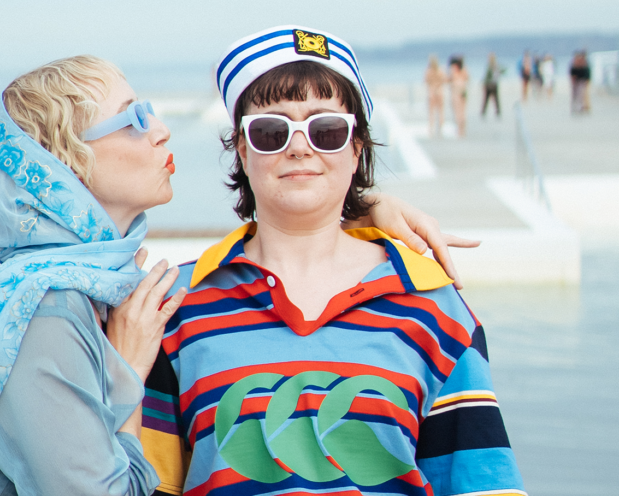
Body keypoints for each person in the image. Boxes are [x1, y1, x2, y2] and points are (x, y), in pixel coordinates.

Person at [0, 55, 473, 496]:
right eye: (135, 118)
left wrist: (360, 203)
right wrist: (128, 374)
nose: (161, 129)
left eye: (330, 132)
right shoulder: (52, 309)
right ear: (70, 162)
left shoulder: (103, 286)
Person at [139, 26, 524, 496]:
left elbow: (480, 483)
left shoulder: (436, 307)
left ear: (357, 146)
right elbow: (150, 485)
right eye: (270, 131)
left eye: (325, 130)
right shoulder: (174, 305)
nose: (299, 147)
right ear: (241, 149)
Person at [423, 55, 447, 137]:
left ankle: (431, 128)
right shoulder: (440, 70)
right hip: (439, 91)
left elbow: (426, 80)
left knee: (431, 112)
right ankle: (440, 127)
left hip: (432, 91)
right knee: (440, 111)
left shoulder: (429, 71)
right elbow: (444, 80)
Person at [447, 55, 469, 137]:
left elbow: (449, 79)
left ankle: (459, 130)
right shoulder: (464, 69)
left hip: (456, 92)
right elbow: (467, 78)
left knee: (457, 112)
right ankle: (463, 129)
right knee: (463, 111)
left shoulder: (453, 69)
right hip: (463, 91)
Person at [481, 52, 503, 118]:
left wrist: (484, 83)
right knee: (495, 99)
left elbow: (487, 76)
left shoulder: (490, 66)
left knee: (487, 99)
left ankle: (484, 112)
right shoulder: (496, 65)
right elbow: (499, 73)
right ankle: (497, 112)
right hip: (494, 84)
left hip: (489, 84)